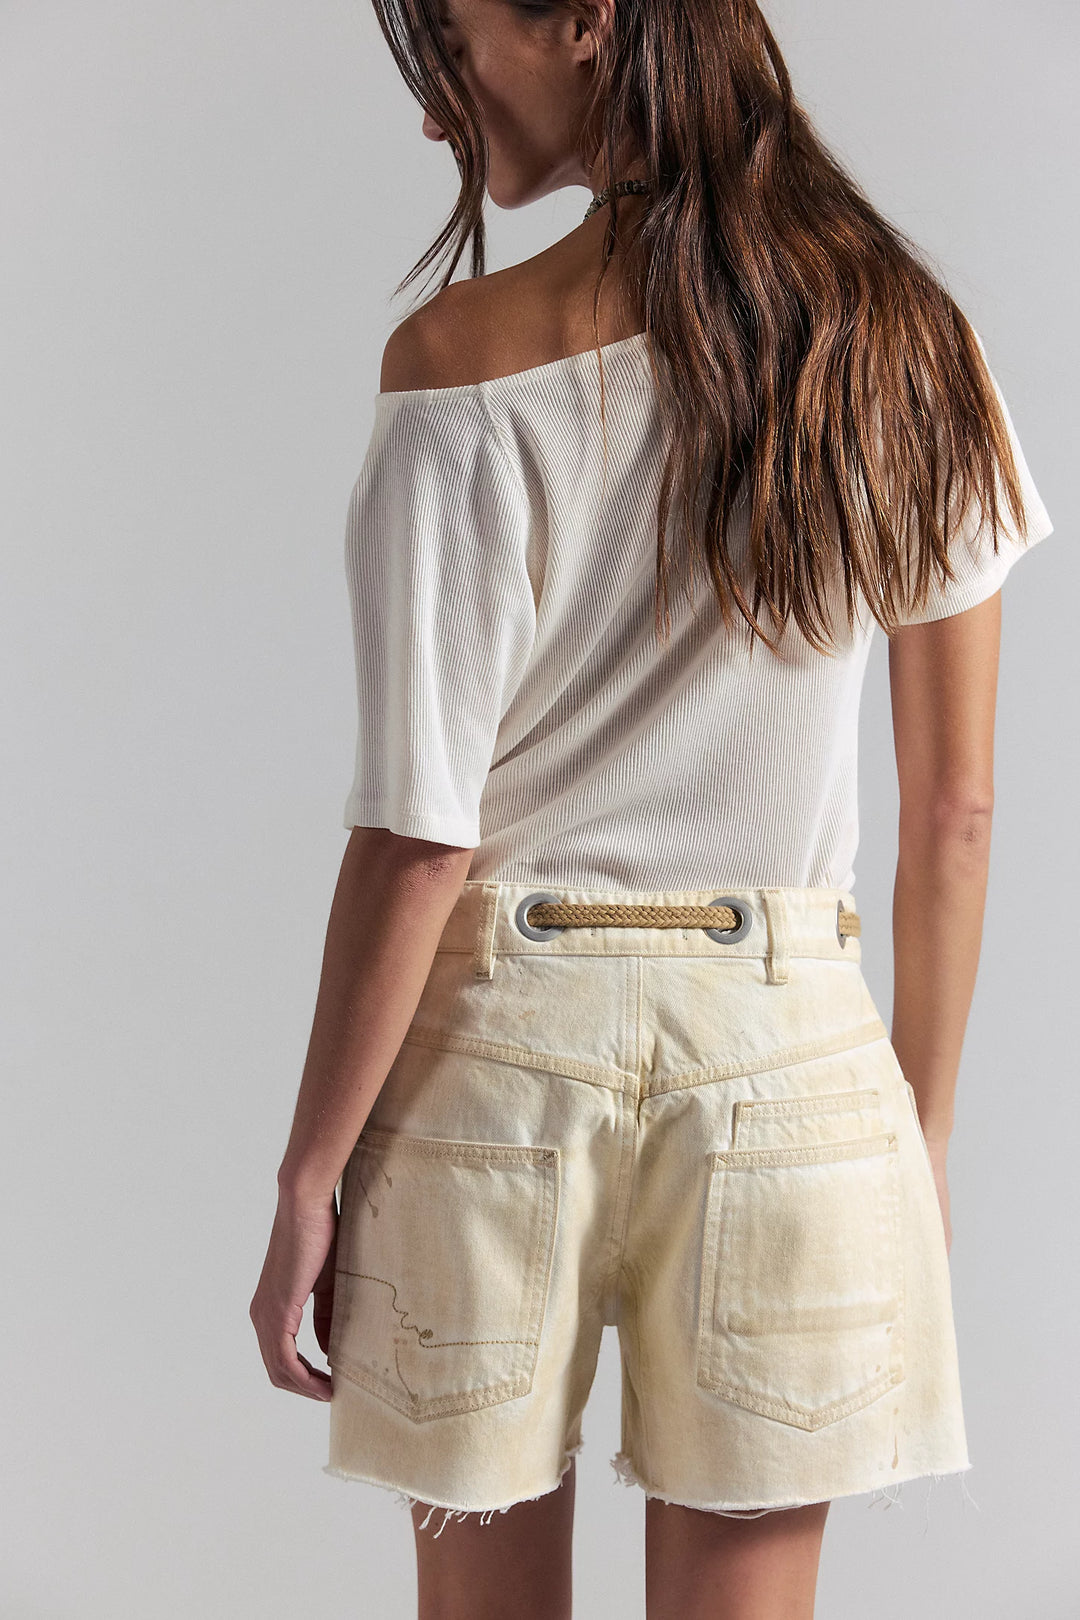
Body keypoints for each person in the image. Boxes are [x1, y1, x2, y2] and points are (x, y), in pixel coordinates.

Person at [249, 2, 1055, 1614]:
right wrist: (922, 1130)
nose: (435, 117)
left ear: (588, 21)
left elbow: (422, 830)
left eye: (455, 50)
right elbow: (956, 808)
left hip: (499, 1055)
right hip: (797, 1056)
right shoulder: (909, 341)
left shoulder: (460, 362)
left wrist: (308, 1176)